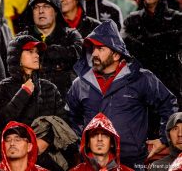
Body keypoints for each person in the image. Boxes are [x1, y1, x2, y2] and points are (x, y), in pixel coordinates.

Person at [66, 20, 177, 170]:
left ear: (116, 54)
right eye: (93, 49)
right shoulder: (80, 84)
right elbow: (71, 118)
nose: (94, 53)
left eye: (100, 49)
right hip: (93, 164)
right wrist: (82, 143)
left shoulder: (141, 78)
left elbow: (168, 104)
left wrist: (164, 139)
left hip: (133, 161)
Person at [0, 35, 72, 169]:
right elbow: (1, 122)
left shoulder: (49, 88)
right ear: (17, 56)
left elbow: (62, 121)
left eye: (37, 52)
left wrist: (45, 141)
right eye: (30, 52)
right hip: (11, 157)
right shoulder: (2, 88)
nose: (36, 56)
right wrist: (23, 93)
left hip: (45, 155)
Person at [121, 0, 182, 118]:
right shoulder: (132, 19)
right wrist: (164, 40)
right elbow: (124, 44)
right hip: (141, 82)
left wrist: (143, 43)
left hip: (171, 80)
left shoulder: (177, 18)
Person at [19, 0, 83, 99]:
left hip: (64, 101)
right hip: (30, 102)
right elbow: (13, 70)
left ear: (56, 11)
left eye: (46, 6)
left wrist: (50, 53)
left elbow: (81, 58)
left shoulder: (71, 36)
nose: (40, 11)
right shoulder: (21, 39)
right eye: (36, 7)